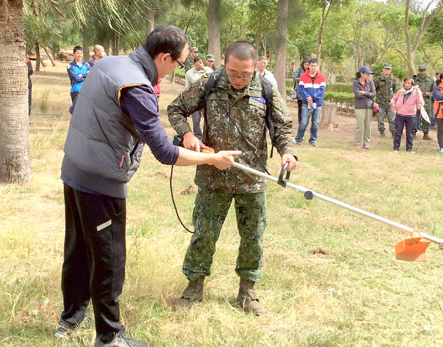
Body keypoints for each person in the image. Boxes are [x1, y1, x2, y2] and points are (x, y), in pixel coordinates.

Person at [57, 25, 239, 347]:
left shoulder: (109, 64)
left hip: (74, 171)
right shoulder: (137, 86)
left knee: (78, 249)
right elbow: (165, 154)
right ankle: (110, 338)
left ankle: (70, 319)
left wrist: (186, 141)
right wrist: (212, 160)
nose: (176, 70)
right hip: (100, 183)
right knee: (109, 261)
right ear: (164, 57)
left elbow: (132, 123)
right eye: (178, 64)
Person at [167, 40, 297, 316]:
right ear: (225, 63)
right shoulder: (209, 83)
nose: (238, 79)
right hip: (214, 176)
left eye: (245, 75)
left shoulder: (265, 89)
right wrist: (188, 134)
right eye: (234, 73)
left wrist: (288, 153)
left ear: (255, 69)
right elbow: (175, 109)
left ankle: (247, 292)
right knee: (204, 234)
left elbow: (283, 128)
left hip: (252, 179)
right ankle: (194, 286)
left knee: (253, 237)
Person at [295, 58, 326, 147]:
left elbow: (321, 90)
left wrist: (313, 98)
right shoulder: (303, 76)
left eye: (315, 65)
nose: (313, 67)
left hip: (318, 103)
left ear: (317, 67)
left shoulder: (322, 77)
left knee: (315, 123)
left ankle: (312, 139)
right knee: (303, 122)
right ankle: (299, 139)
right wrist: (308, 97)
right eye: (311, 65)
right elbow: (301, 88)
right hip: (306, 102)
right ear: (309, 66)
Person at [390, 78, 424, 152]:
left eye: (409, 83)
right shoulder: (400, 91)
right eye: (406, 83)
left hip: (410, 115)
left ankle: (409, 148)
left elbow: (420, 102)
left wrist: (418, 92)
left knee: (409, 133)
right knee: (398, 131)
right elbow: (394, 98)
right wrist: (392, 103)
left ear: (412, 84)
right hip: (400, 114)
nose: (407, 84)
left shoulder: (416, 92)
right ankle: (396, 147)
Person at [185, 56, 208, 140]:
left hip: (206, 99)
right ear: (195, 63)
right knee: (195, 120)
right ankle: (198, 136)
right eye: (199, 62)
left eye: (202, 62)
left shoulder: (208, 71)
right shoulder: (189, 73)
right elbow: (187, 87)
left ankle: (207, 136)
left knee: (208, 118)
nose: (201, 64)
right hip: (195, 100)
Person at [352, 66, 376, 149]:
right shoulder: (356, 82)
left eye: (369, 74)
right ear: (361, 74)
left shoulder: (370, 82)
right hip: (359, 107)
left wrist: (365, 93)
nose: (368, 75)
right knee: (359, 126)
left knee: (368, 126)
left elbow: (373, 94)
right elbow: (357, 94)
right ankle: (357, 142)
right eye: (367, 74)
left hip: (369, 107)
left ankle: (366, 143)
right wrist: (368, 94)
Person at [374, 63, 397, 137]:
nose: (387, 71)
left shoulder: (393, 79)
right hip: (380, 103)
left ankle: (393, 132)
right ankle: (382, 132)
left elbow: (393, 89)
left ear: (391, 70)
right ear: (383, 69)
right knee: (380, 118)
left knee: (392, 118)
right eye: (386, 69)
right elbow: (374, 90)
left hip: (390, 103)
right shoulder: (377, 79)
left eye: (389, 69)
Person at [413, 64, 435, 140]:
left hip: (426, 102)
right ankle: (413, 133)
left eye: (423, 71)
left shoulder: (430, 80)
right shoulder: (414, 79)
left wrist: (429, 94)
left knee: (426, 118)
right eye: (421, 71)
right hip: (415, 102)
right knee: (414, 118)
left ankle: (426, 134)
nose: (422, 73)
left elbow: (434, 91)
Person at [292, 58, 310, 123]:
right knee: (300, 109)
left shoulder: (311, 71)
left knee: (307, 109)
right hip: (300, 92)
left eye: (308, 65)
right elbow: (294, 78)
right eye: (305, 64)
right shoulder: (299, 70)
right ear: (303, 64)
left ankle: (306, 122)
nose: (307, 66)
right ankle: (300, 122)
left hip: (308, 92)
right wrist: (302, 78)